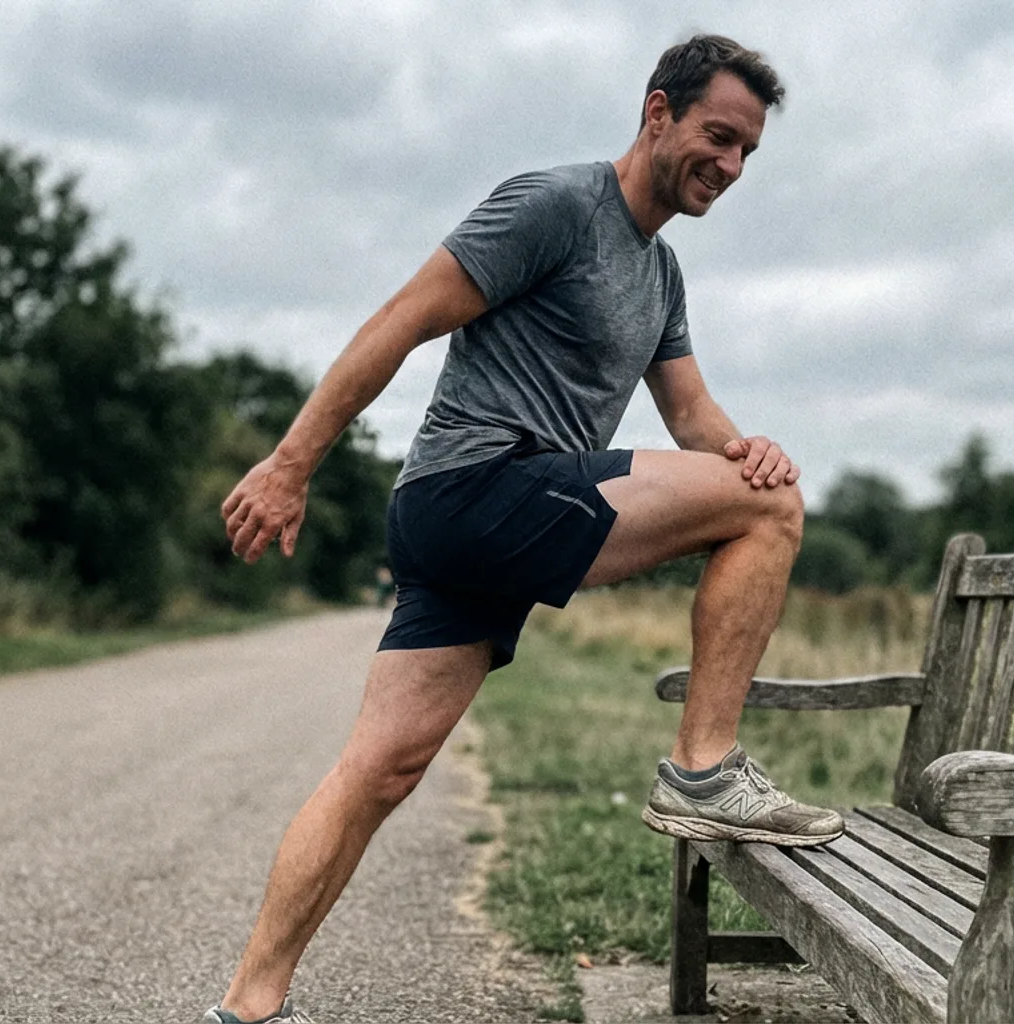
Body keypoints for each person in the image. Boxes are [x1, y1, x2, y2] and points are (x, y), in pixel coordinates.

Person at [205, 33, 845, 1024]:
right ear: (656, 113)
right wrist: (290, 465)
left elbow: (692, 418)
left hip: (478, 528)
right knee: (770, 515)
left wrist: (746, 449)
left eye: (748, 153)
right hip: (477, 487)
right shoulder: (554, 206)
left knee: (380, 768)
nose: (730, 166)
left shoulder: (661, 276)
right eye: (718, 136)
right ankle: (705, 768)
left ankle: (247, 1004)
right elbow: (401, 318)